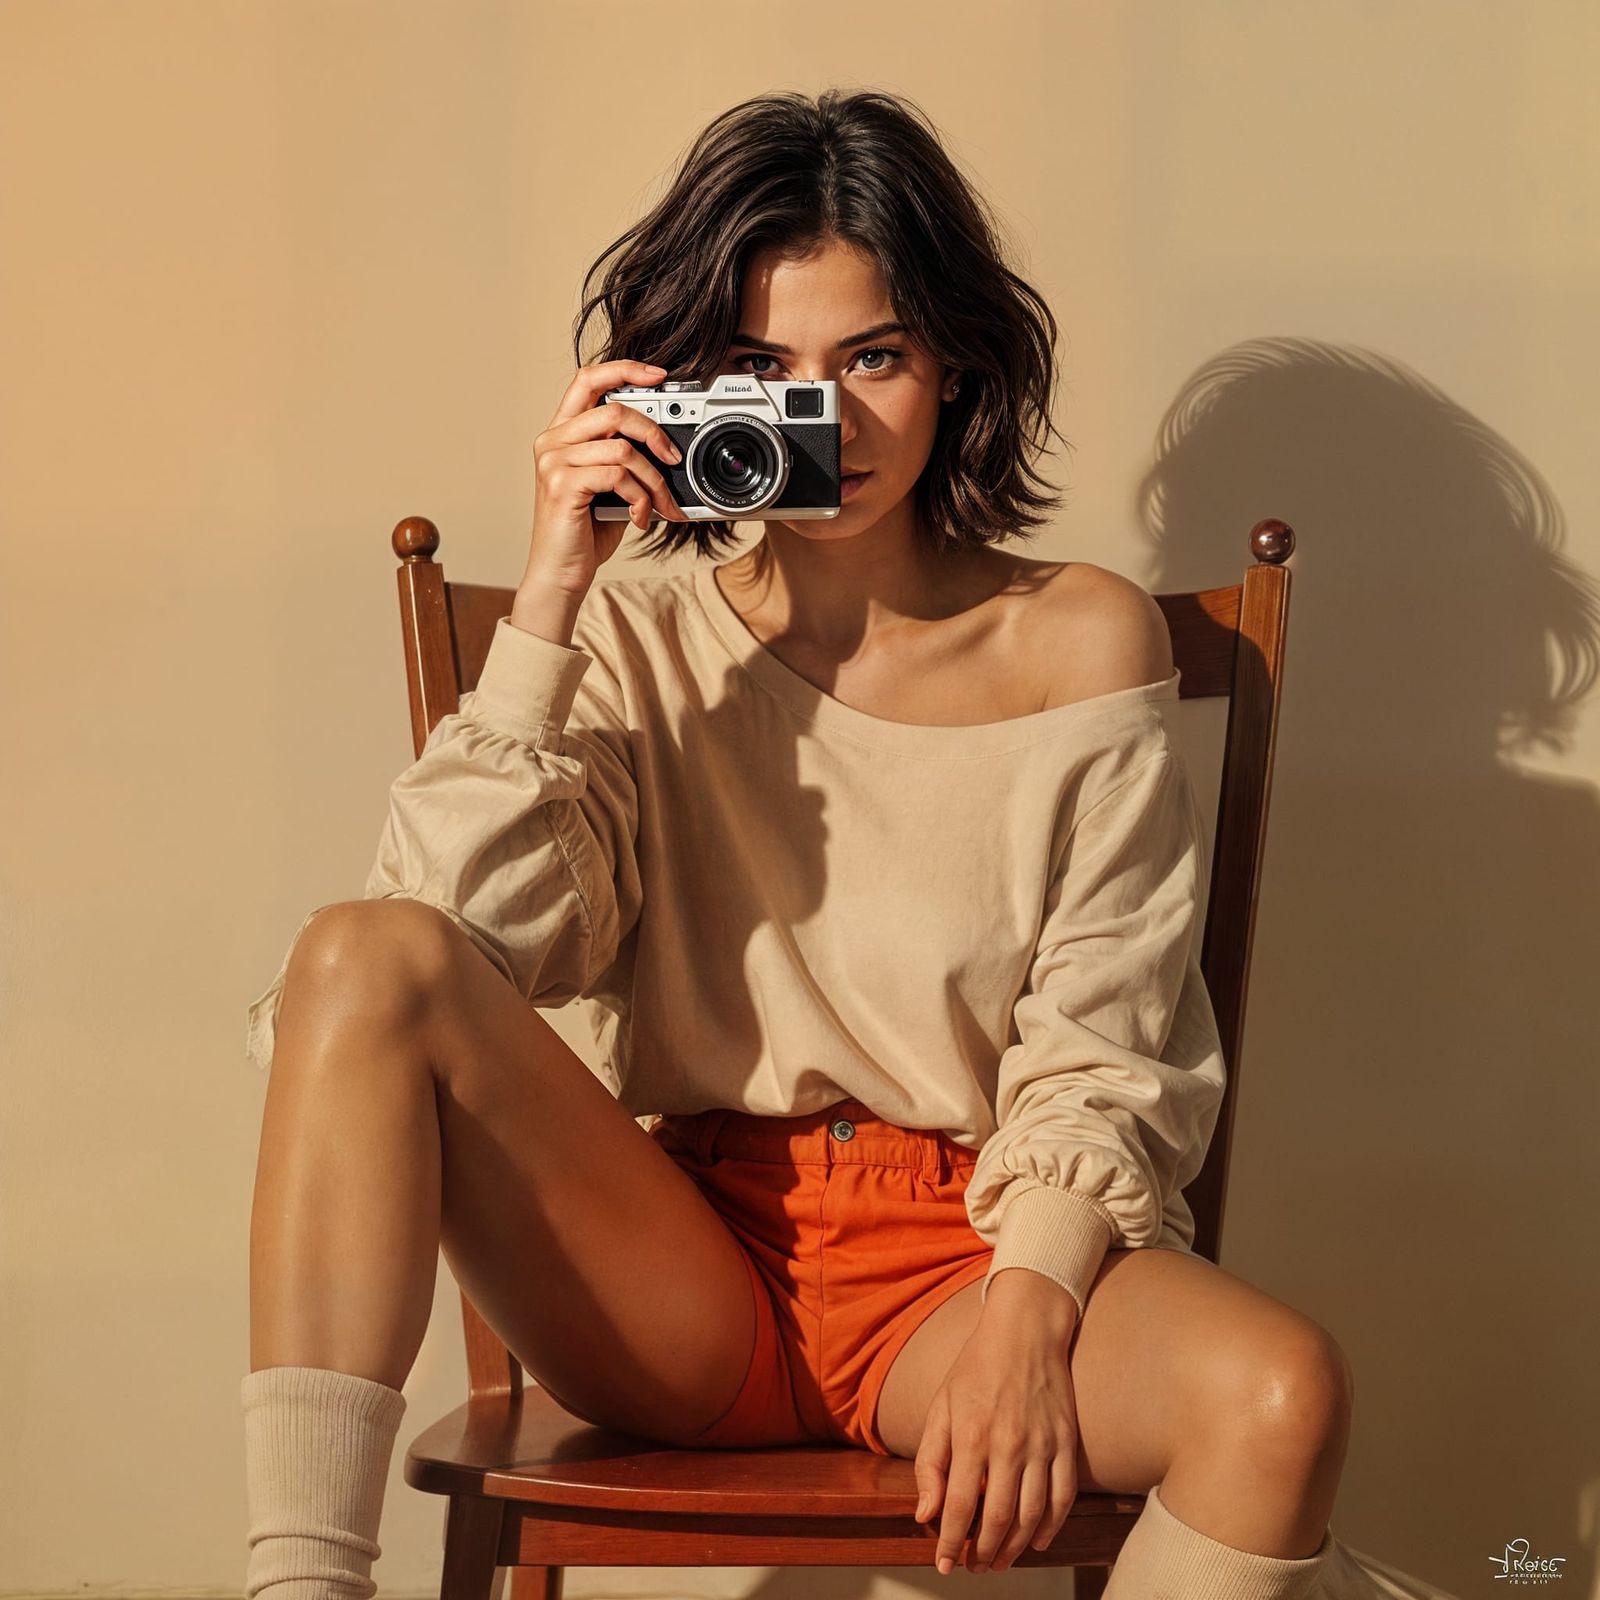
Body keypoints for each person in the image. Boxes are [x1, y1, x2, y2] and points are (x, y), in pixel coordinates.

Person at [238, 88, 1461, 1600]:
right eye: (765, 370)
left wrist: (1031, 1305)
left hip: (967, 1249)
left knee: (1281, 1394)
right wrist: (554, 595)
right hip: (679, 1267)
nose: (826, 416)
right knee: (358, 949)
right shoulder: (636, 632)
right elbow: (438, 954)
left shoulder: (1080, 638)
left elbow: (1111, 1032)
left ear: (955, 361)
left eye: (871, 356)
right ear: (682, 389)